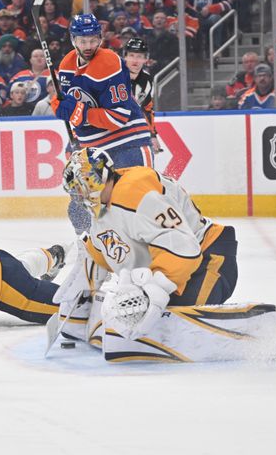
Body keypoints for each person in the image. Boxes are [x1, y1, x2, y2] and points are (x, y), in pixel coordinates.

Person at [54, 147, 238, 356]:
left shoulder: (134, 191)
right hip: (182, 262)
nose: (78, 196)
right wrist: (82, 293)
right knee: (139, 310)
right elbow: (103, 254)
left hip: (209, 256)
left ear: (96, 178)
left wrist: (155, 288)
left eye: (80, 187)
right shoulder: (102, 210)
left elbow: (183, 247)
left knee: (172, 314)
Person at [51, 14, 153, 233]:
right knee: (79, 208)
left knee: (135, 204)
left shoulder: (109, 63)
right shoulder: (66, 65)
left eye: (93, 40)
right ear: (73, 40)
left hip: (128, 143)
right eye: (82, 40)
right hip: (93, 149)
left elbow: (119, 117)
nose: (88, 46)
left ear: (100, 38)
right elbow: (69, 103)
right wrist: (58, 104)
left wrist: (81, 113)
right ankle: (89, 255)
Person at [124, 37, 161, 154]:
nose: (135, 60)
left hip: (133, 130)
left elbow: (147, 109)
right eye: (131, 55)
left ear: (146, 59)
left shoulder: (147, 80)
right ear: (125, 56)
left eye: (139, 56)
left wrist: (153, 135)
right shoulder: (113, 75)